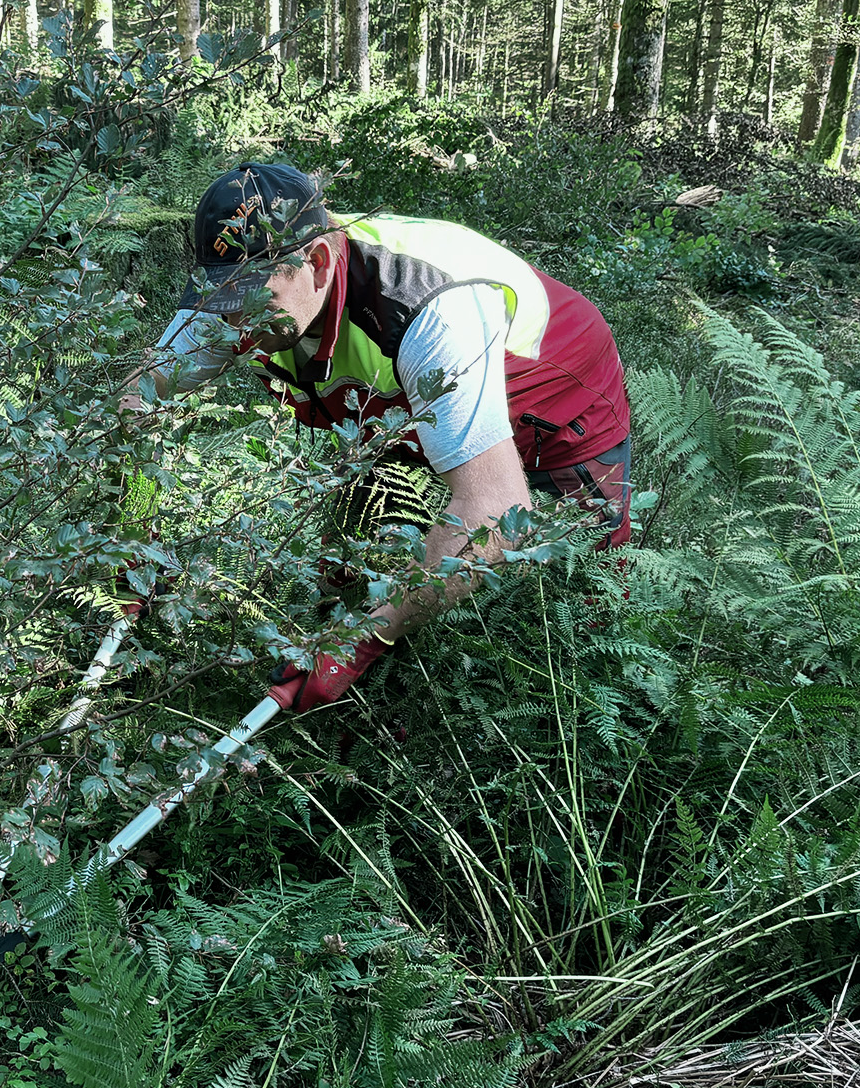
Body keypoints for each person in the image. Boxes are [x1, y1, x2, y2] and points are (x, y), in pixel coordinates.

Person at [119, 162, 632, 714]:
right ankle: (371, 702)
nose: (233, 325)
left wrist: (360, 641)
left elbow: (494, 506)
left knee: (593, 598)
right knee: (359, 560)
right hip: (400, 408)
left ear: (317, 263)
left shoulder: (426, 308)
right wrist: (133, 542)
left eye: (249, 300)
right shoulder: (245, 298)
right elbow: (135, 398)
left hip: (556, 402)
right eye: (223, 299)